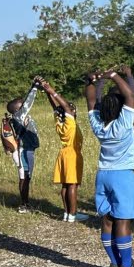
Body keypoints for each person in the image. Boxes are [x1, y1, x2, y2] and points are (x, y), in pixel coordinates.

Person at [86, 69, 134, 267]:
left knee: (107, 220)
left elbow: (91, 101)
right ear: (123, 108)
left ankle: (113, 263)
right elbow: (130, 95)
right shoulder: (124, 124)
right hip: (123, 175)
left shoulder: (98, 125)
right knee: (123, 221)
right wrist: (113, 74)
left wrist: (92, 81)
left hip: (103, 174)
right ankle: (127, 265)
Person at [40, 78, 86, 223]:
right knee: (72, 185)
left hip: (63, 154)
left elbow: (56, 107)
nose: (73, 110)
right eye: (72, 109)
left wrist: (48, 93)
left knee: (65, 185)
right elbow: (64, 106)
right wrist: (52, 91)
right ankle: (73, 214)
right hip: (72, 154)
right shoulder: (70, 122)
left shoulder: (59, 121)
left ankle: (67, 213)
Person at [6, 80, 41, 213]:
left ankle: (25, 203)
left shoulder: (18, 116)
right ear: (17, 109)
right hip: (23, 152)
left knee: (26, 177)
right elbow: (28, 102)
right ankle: (24, 205)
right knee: (24, 177)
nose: (25, 105)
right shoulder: (19, 115)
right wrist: (35, 87)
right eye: (22, 105)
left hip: (28, 151)